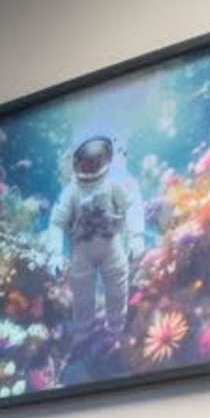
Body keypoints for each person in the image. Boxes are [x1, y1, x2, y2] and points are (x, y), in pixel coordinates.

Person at [49, 131, 144, 361]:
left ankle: (116, 331)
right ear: (76, 164)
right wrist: (54, 255)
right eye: (86, 162)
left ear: (107, 159)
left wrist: (137, 237)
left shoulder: (113, 184)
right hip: (81, 250)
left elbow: (132, 206)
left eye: (96, 161)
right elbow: (56, 222)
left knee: (117, 287)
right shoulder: (72, 190)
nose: (90, 167)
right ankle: (83, 335)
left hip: (111, 245)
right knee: (82, 295)